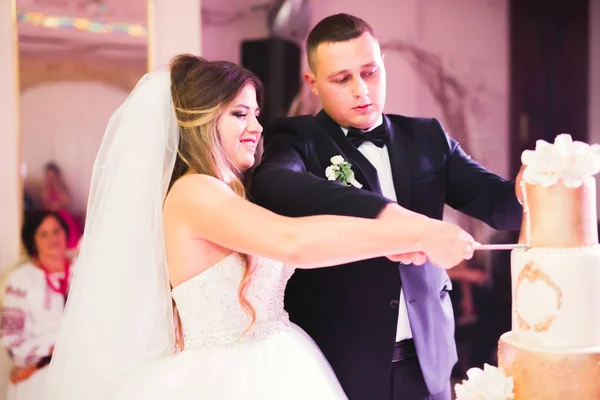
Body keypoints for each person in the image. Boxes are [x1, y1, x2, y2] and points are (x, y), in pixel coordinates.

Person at [42, 55, 477, 400]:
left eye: (255, 114)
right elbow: (292, 242)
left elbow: (300, 244)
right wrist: (409, 233)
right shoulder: (194, 193)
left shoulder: (229, 191)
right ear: (201, 119)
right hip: (226, 378)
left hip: (277, 357)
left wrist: (386, 246)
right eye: (239, 114)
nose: (256, 127)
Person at [250, 13, 524, 400]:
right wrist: (386, 215)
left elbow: (501, 207)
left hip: (427, 358)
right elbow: (274, 184)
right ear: (313, 83)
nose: (361, 90)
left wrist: (539, 187)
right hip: (340, 361)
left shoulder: (427, 137)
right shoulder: (298, 138)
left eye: (370, 72)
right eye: (342, 79)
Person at [0, 211, 75, 400]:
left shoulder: (82, 268)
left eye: (56, 231)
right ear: (33, 242)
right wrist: (45, 357)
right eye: (44, 234)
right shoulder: (21, 279)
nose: (53, 238)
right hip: (41, 367)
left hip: (82, 354)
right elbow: (11, 338)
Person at [40, 162, 82, 249]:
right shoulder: (45, 187)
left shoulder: (61, 187)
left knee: (67, 222)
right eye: (48, 176)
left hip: (61, 213)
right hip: (49, 213)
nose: (50, 178)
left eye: (52, 176)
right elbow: (45, 201)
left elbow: (66, 201)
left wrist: (56, 185)